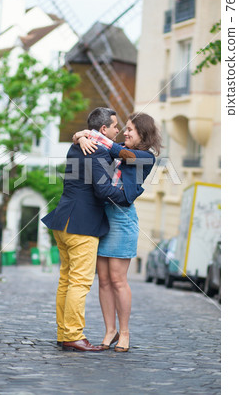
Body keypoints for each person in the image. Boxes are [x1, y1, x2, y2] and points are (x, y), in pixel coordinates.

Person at [41, 108, 134, 352]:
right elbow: (103, 191)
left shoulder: (78, 146)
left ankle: (64, 333)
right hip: (81, 226)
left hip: (63, 221)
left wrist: (80, 135)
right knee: (80, 283)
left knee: (66, 281)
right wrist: (126, 196)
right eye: (115, 127)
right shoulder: (95, 152)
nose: (118, 131)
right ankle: (73, 335)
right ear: (103, 129)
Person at [73, 112, 161, 352]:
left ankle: (124, 333)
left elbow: (112, 148)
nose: (125, 132)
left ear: (143, 133)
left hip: (122, 220)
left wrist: (88, 136)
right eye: (125, 128)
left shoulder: (145, 157)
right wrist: (81, 137)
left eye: (130, 129)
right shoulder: (119, 147)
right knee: (103, 280)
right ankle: (109, 329)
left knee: (118, 280)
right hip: (102, 217)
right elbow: (98, 142)